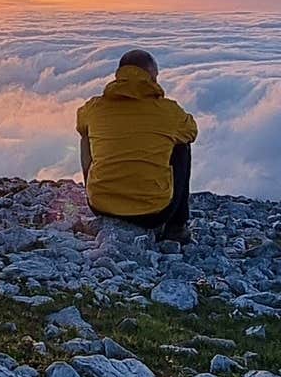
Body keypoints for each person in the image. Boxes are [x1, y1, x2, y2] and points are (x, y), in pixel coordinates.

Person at [76, 49, 198, 242]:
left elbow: (80, 122)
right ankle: (177, 227)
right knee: (181, 145)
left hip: (100, 206)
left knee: (86, 134)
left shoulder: (94, 107)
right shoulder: (169, 112)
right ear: (152, 77)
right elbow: (192, 132)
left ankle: (96, 188)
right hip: (153, 213)